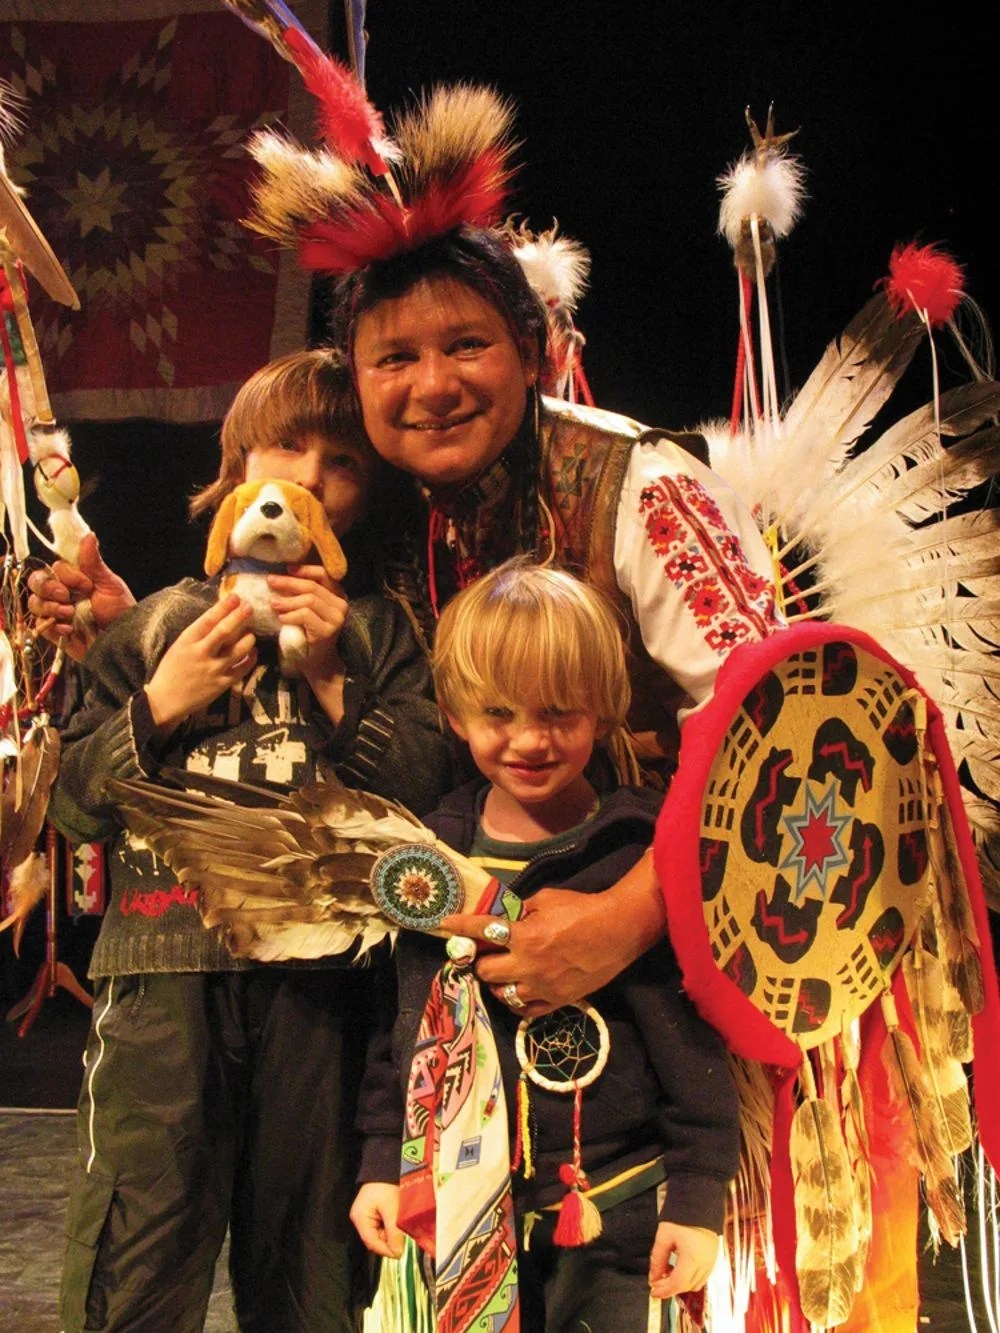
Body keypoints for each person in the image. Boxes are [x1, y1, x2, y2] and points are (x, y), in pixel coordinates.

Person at [47, 348, 454, 1333]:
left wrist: (329, 680)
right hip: (161, 980)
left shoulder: (380, 632)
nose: (308, 478)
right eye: (286, 447)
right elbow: (71, 804)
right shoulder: (156, 626)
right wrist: (159, 703)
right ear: (236, 466)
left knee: (311, 1266)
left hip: (321, 993)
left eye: (342, 462)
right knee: (140, 1249)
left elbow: (423, 798)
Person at [350, 560, 739, 1332]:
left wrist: (697, 1197)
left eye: (559, 712)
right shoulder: (433, 855)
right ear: (454, 715)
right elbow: (402, 1036)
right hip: (460, 1214)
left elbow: (690, 1038)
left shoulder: (638, 853)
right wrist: (381, 1164)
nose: (530, 738)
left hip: (612, 1204)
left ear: (603, 709)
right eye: (499, 712)